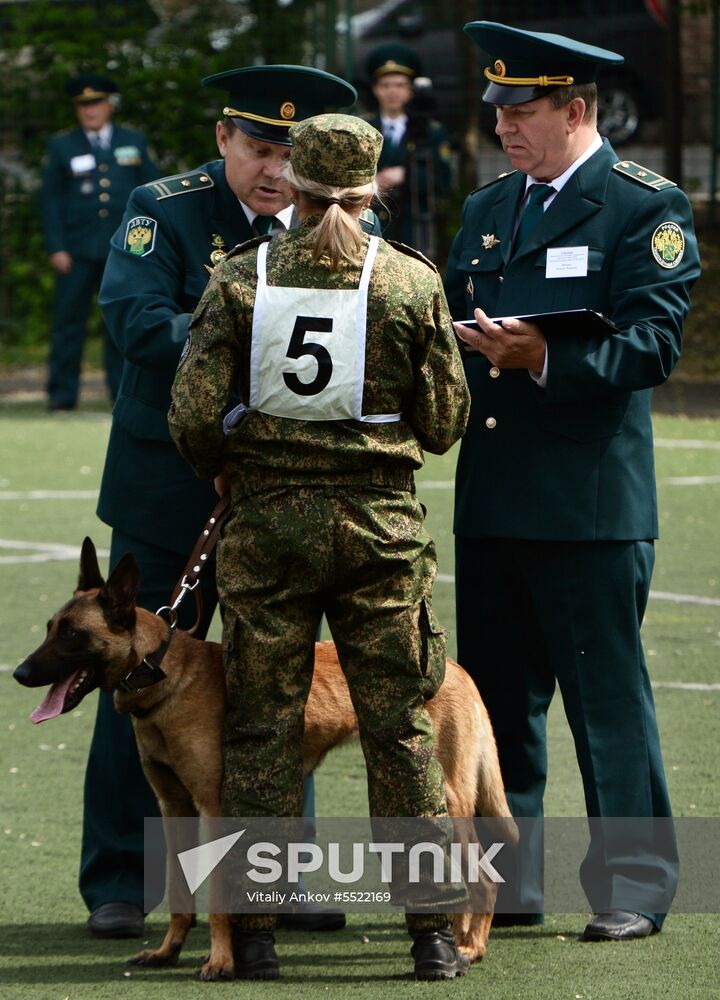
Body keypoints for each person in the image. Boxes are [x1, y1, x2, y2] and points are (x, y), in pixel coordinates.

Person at [168, 113, 471, 980]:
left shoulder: (241, 277)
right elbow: (445, 420)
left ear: (294, 187)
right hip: (379, 532)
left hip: (268, 530)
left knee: (260, 728)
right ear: (372, 190)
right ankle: (431, 935)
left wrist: (231, 462)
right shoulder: (409, 280)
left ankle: (255, 936)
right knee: (399, 728)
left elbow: (191, 415)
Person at [85, 64, 366, 940]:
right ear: (222, 138)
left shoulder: (336, 218)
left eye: (291, 154)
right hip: (168, 489)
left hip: (284, 493)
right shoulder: (162, 210)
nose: (275, 170)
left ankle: (275, 880)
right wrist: (256, 326)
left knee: (276, 685)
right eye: (258, 148)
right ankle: (123, 880)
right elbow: (136, 324)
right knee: (134, 678)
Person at [445, 21, 700, 941]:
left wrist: (545, 356)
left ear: (578, 111)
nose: (503, 126)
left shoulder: (643, 207)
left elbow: (653, 346)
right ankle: (508, 886)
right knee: (497, 705)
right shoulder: (487, 207)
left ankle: (634, 886)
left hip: (589, 506)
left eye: (522, 112)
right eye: (498, 111)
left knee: (607, 706)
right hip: (494, 497)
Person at [41, 73, 158, 410]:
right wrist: (56, 247)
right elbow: (50, 200)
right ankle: (62, 396)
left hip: (122, 250)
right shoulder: (62, 146)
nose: (90, 111)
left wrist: (146, 245)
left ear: (110, 105)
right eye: (83, 105)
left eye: (96, 103)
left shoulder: (133, 140)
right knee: (67, 324)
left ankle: (122, 394)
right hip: (75, 251)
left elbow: (151, 193)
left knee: (121, 323)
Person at [363, 44, 453, 258]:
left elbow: (443, 182)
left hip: (413, 229)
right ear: (375, 89)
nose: (392, 92)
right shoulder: (364, 128)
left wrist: (407, 175)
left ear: (411, 89)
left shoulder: (430, 131)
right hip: (370, 227)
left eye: (400, 85)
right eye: (385, 85)